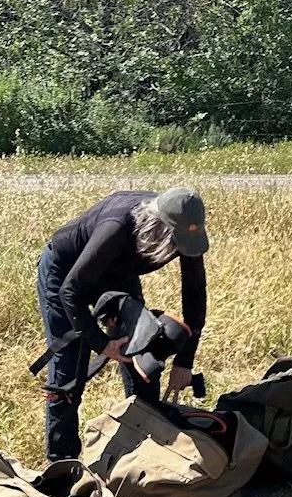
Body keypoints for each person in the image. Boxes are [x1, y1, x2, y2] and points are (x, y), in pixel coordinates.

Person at [35, 187, 210, 458]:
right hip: (66, 273)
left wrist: (185, 362)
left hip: (117, 274)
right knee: (68, 368)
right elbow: (71, 291)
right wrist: (102, 344)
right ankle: (62, 463)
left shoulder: (185, 230)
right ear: (157, 229)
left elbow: (194, 294)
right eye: (173, 244)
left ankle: (148, 445)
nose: (178, 252)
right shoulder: (116, 229)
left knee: (143, 351)